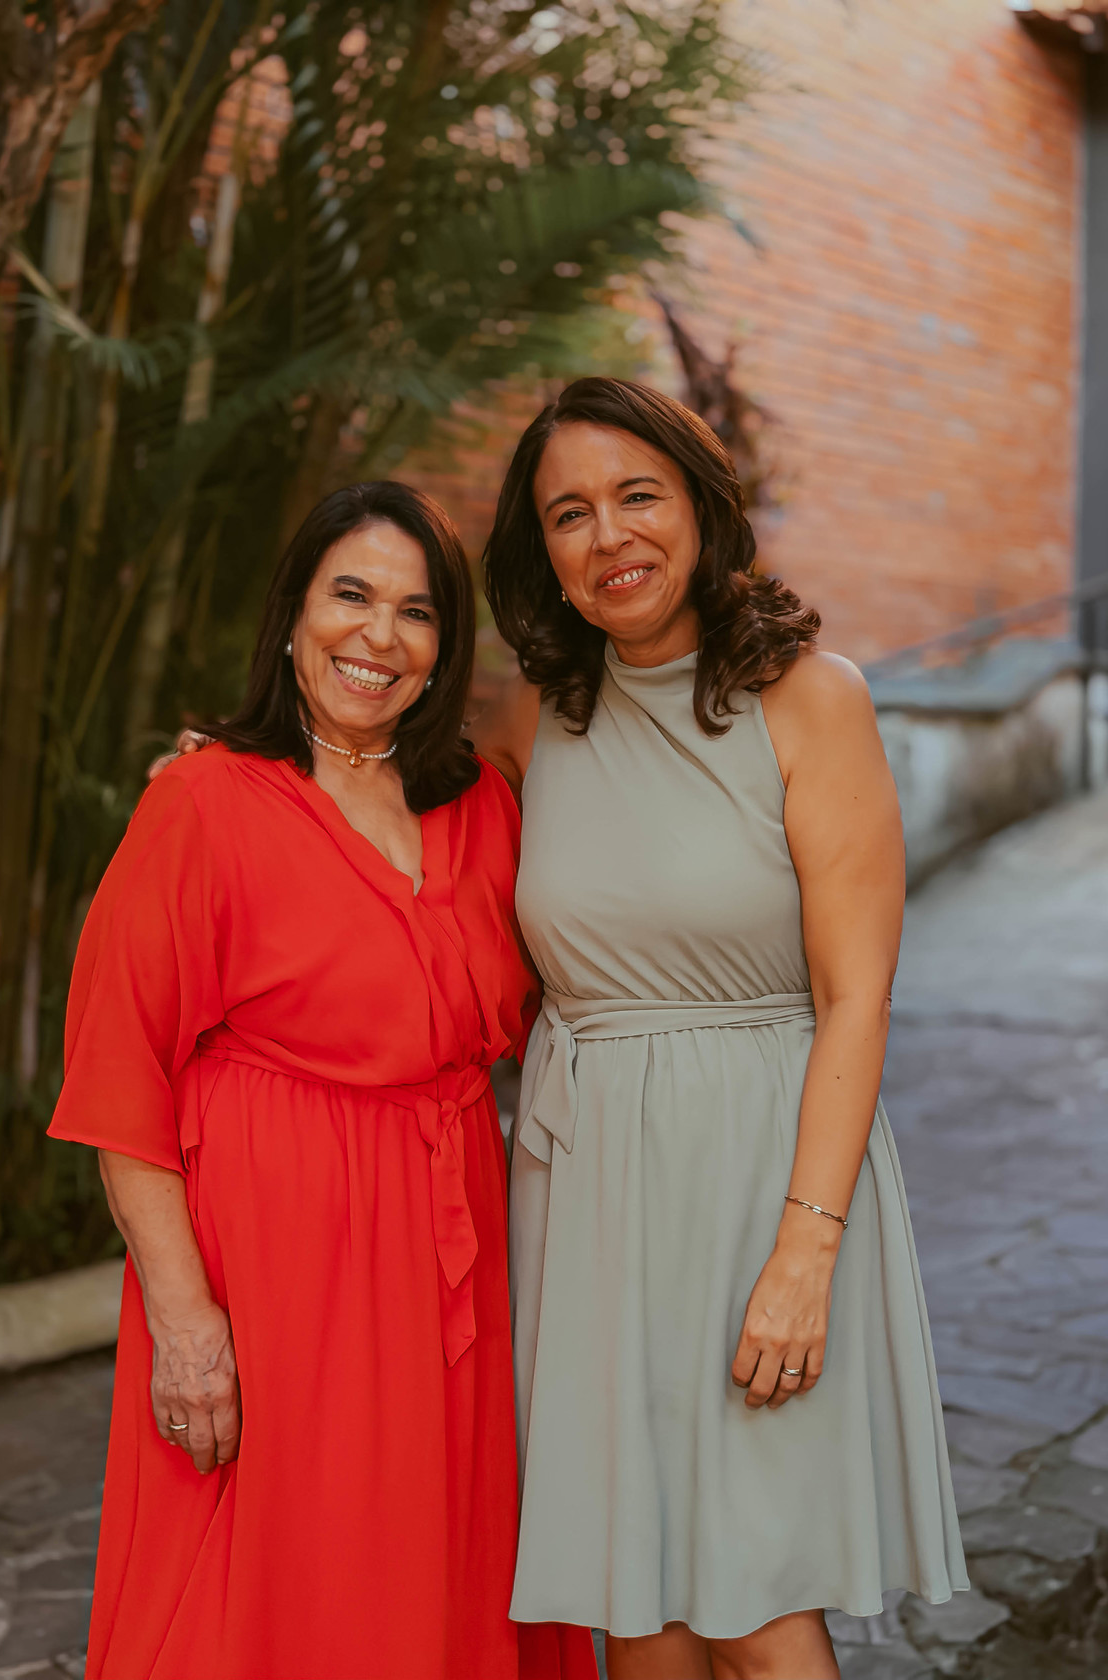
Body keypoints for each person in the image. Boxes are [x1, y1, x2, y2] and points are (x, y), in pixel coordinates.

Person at [48, 482, 596, 1680]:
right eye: (350, 595)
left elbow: (576, 990)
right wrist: (187, 1326)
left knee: (435, 1572)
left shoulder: (483, 807)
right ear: (293, 611)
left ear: (446, 646)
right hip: (270, 1274)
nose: (378, 637)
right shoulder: (202, 804)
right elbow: (119, 1085)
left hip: (451, 1267)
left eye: (417, 611)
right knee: (275, 1591)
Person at [477, 377, 968, 1680]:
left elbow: (857, 994)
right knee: (638, 1607)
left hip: (763, 1176)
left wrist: (806, 1252)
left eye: (638, 495)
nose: (610, 535)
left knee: (755, 1609)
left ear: (699, 504)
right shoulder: (532, 717)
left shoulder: (812, 699)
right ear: (544, 552)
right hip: (586, 1188)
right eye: (570, 513)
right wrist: (223, 768)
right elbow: (365, 782)